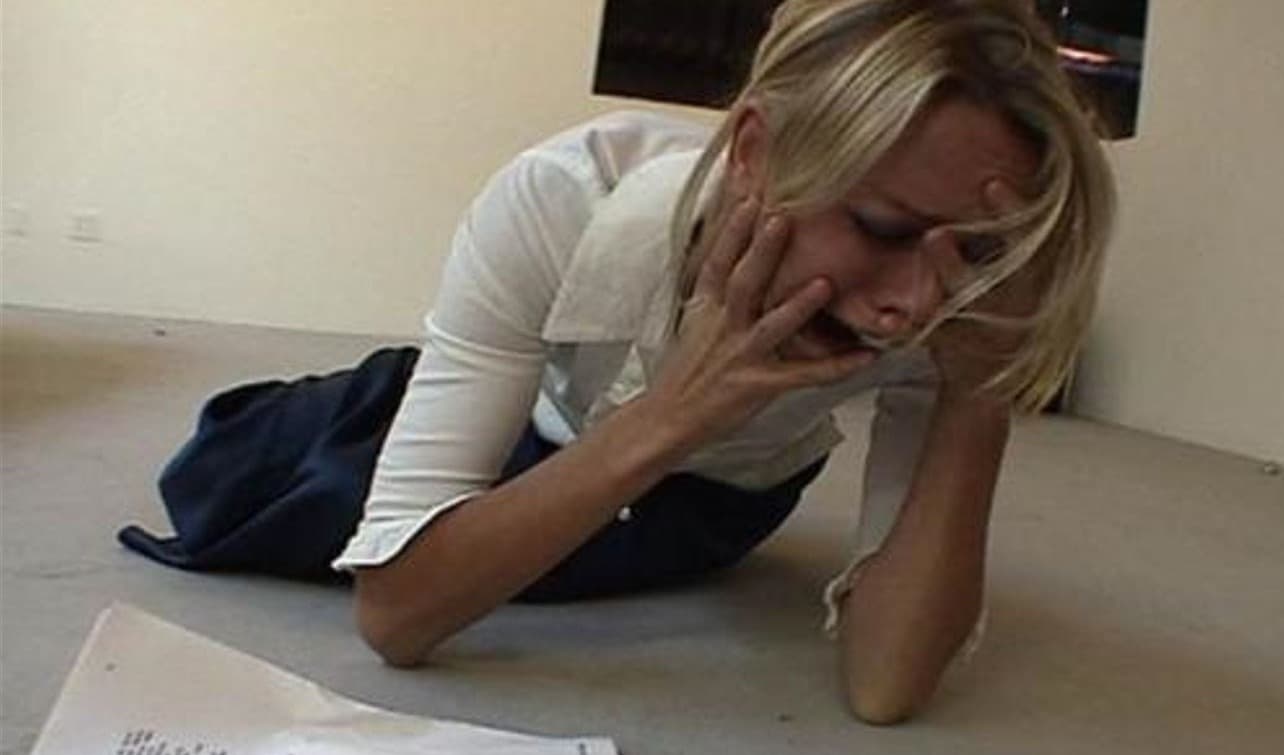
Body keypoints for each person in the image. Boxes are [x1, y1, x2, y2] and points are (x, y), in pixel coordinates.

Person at [337, 0, 1115, 724]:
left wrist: (980, 383)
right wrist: (676, 410)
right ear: (752, 153)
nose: (910, 305)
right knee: (280, 476)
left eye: (975, 251)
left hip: (718, 507)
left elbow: (884, 685)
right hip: (515, 423)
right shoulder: (564, 196)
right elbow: (394, 616)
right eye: (881, 228)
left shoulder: (947, 302)